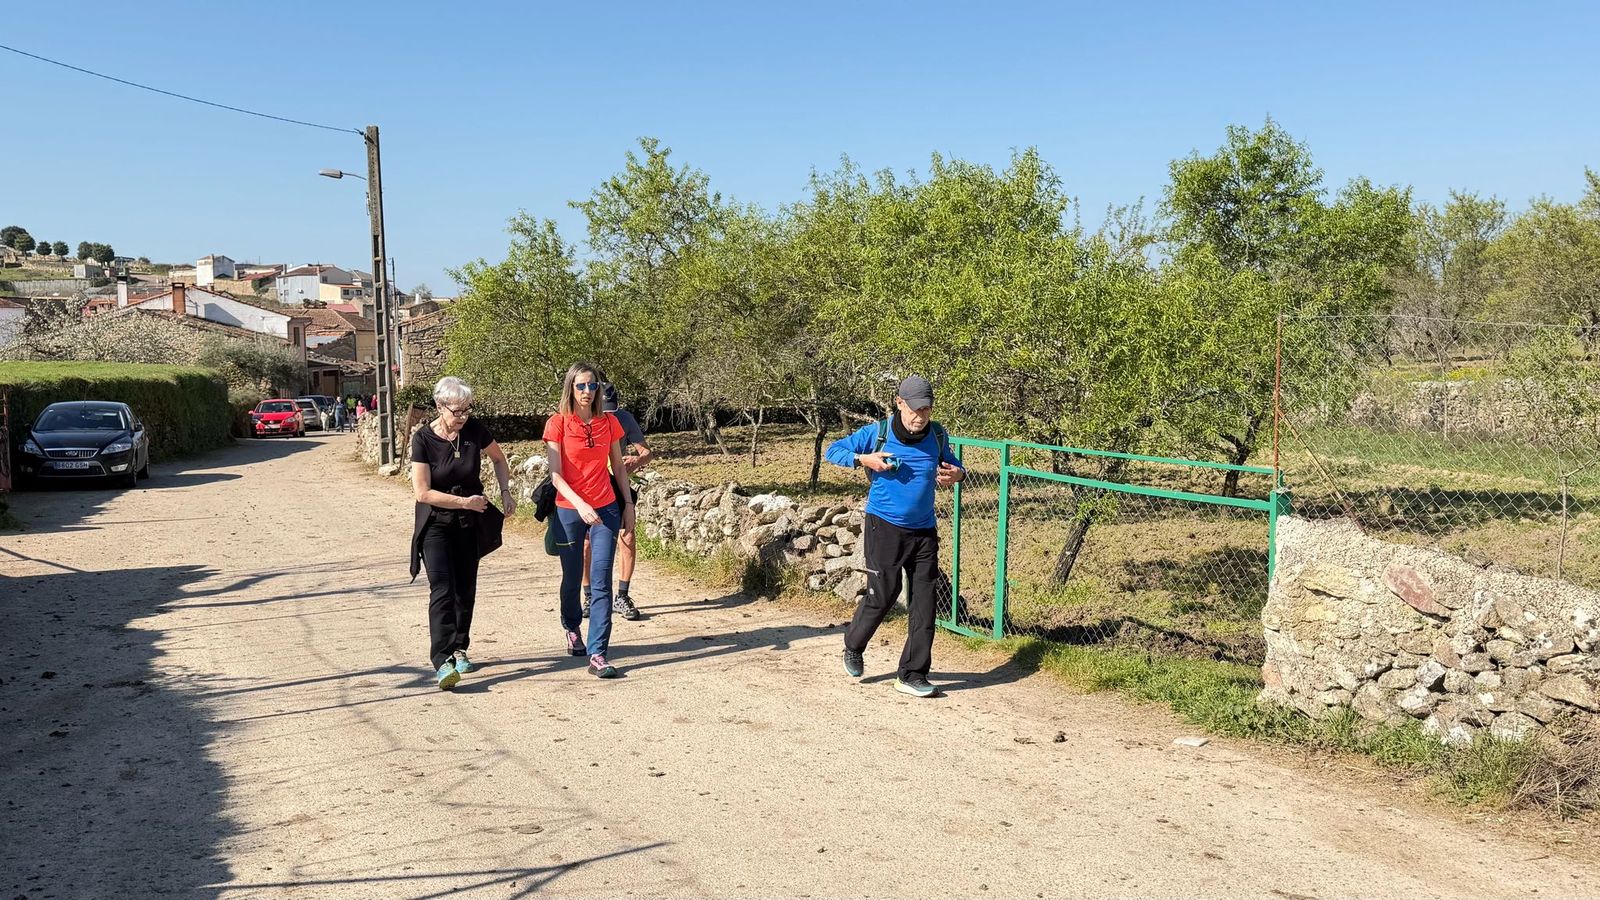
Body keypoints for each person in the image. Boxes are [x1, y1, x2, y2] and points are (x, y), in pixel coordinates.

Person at [825, 375, 965, 698]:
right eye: (915, 409)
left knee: (925, 602)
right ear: (899, 403)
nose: (920, 417)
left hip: (924, 530)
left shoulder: (938, 435)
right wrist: (864, 459)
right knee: (884, 594)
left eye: (926, 410)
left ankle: (912, 674)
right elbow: (833, 451)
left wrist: (959, 474)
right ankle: (853, 644)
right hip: (883, 527)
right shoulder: (879, 433)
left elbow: (955, 465)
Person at [409, 376, 514, 690]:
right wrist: (463, 502)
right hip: (436, 524)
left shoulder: (474, 430)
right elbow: (422, 493)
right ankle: (442, 661)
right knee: (442, 589)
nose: (464, 416)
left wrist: (505, 491)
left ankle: (459, 647)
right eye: (457, 411)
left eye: (468, 409)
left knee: (465, 588)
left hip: (469, 524)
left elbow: (498, 458)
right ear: (441, 407)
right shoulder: (423, 439)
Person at [544, 362, 635, 678]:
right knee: (571, 579)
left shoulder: (609, 424)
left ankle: (598, 653)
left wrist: (628, 504)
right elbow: (555, 475)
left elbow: (619, 468)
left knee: (601, 582)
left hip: (606, 510)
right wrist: (580, 504)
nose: (587, 391)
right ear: (571, 387)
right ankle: (571, 626)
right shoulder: (557, 424)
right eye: (581, 386)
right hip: (570, 510)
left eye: (592, 386)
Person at [581, 382, 653, 621]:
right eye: (604, 410)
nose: (608, 415)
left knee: (628, 535)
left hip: (616, 482)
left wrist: (636, 460)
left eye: (612, 411)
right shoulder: (579, 419)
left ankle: (622, 595)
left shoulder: (624, 418)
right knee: (586, 543)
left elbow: (647, 453)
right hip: (588, 485)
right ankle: (589, 595)